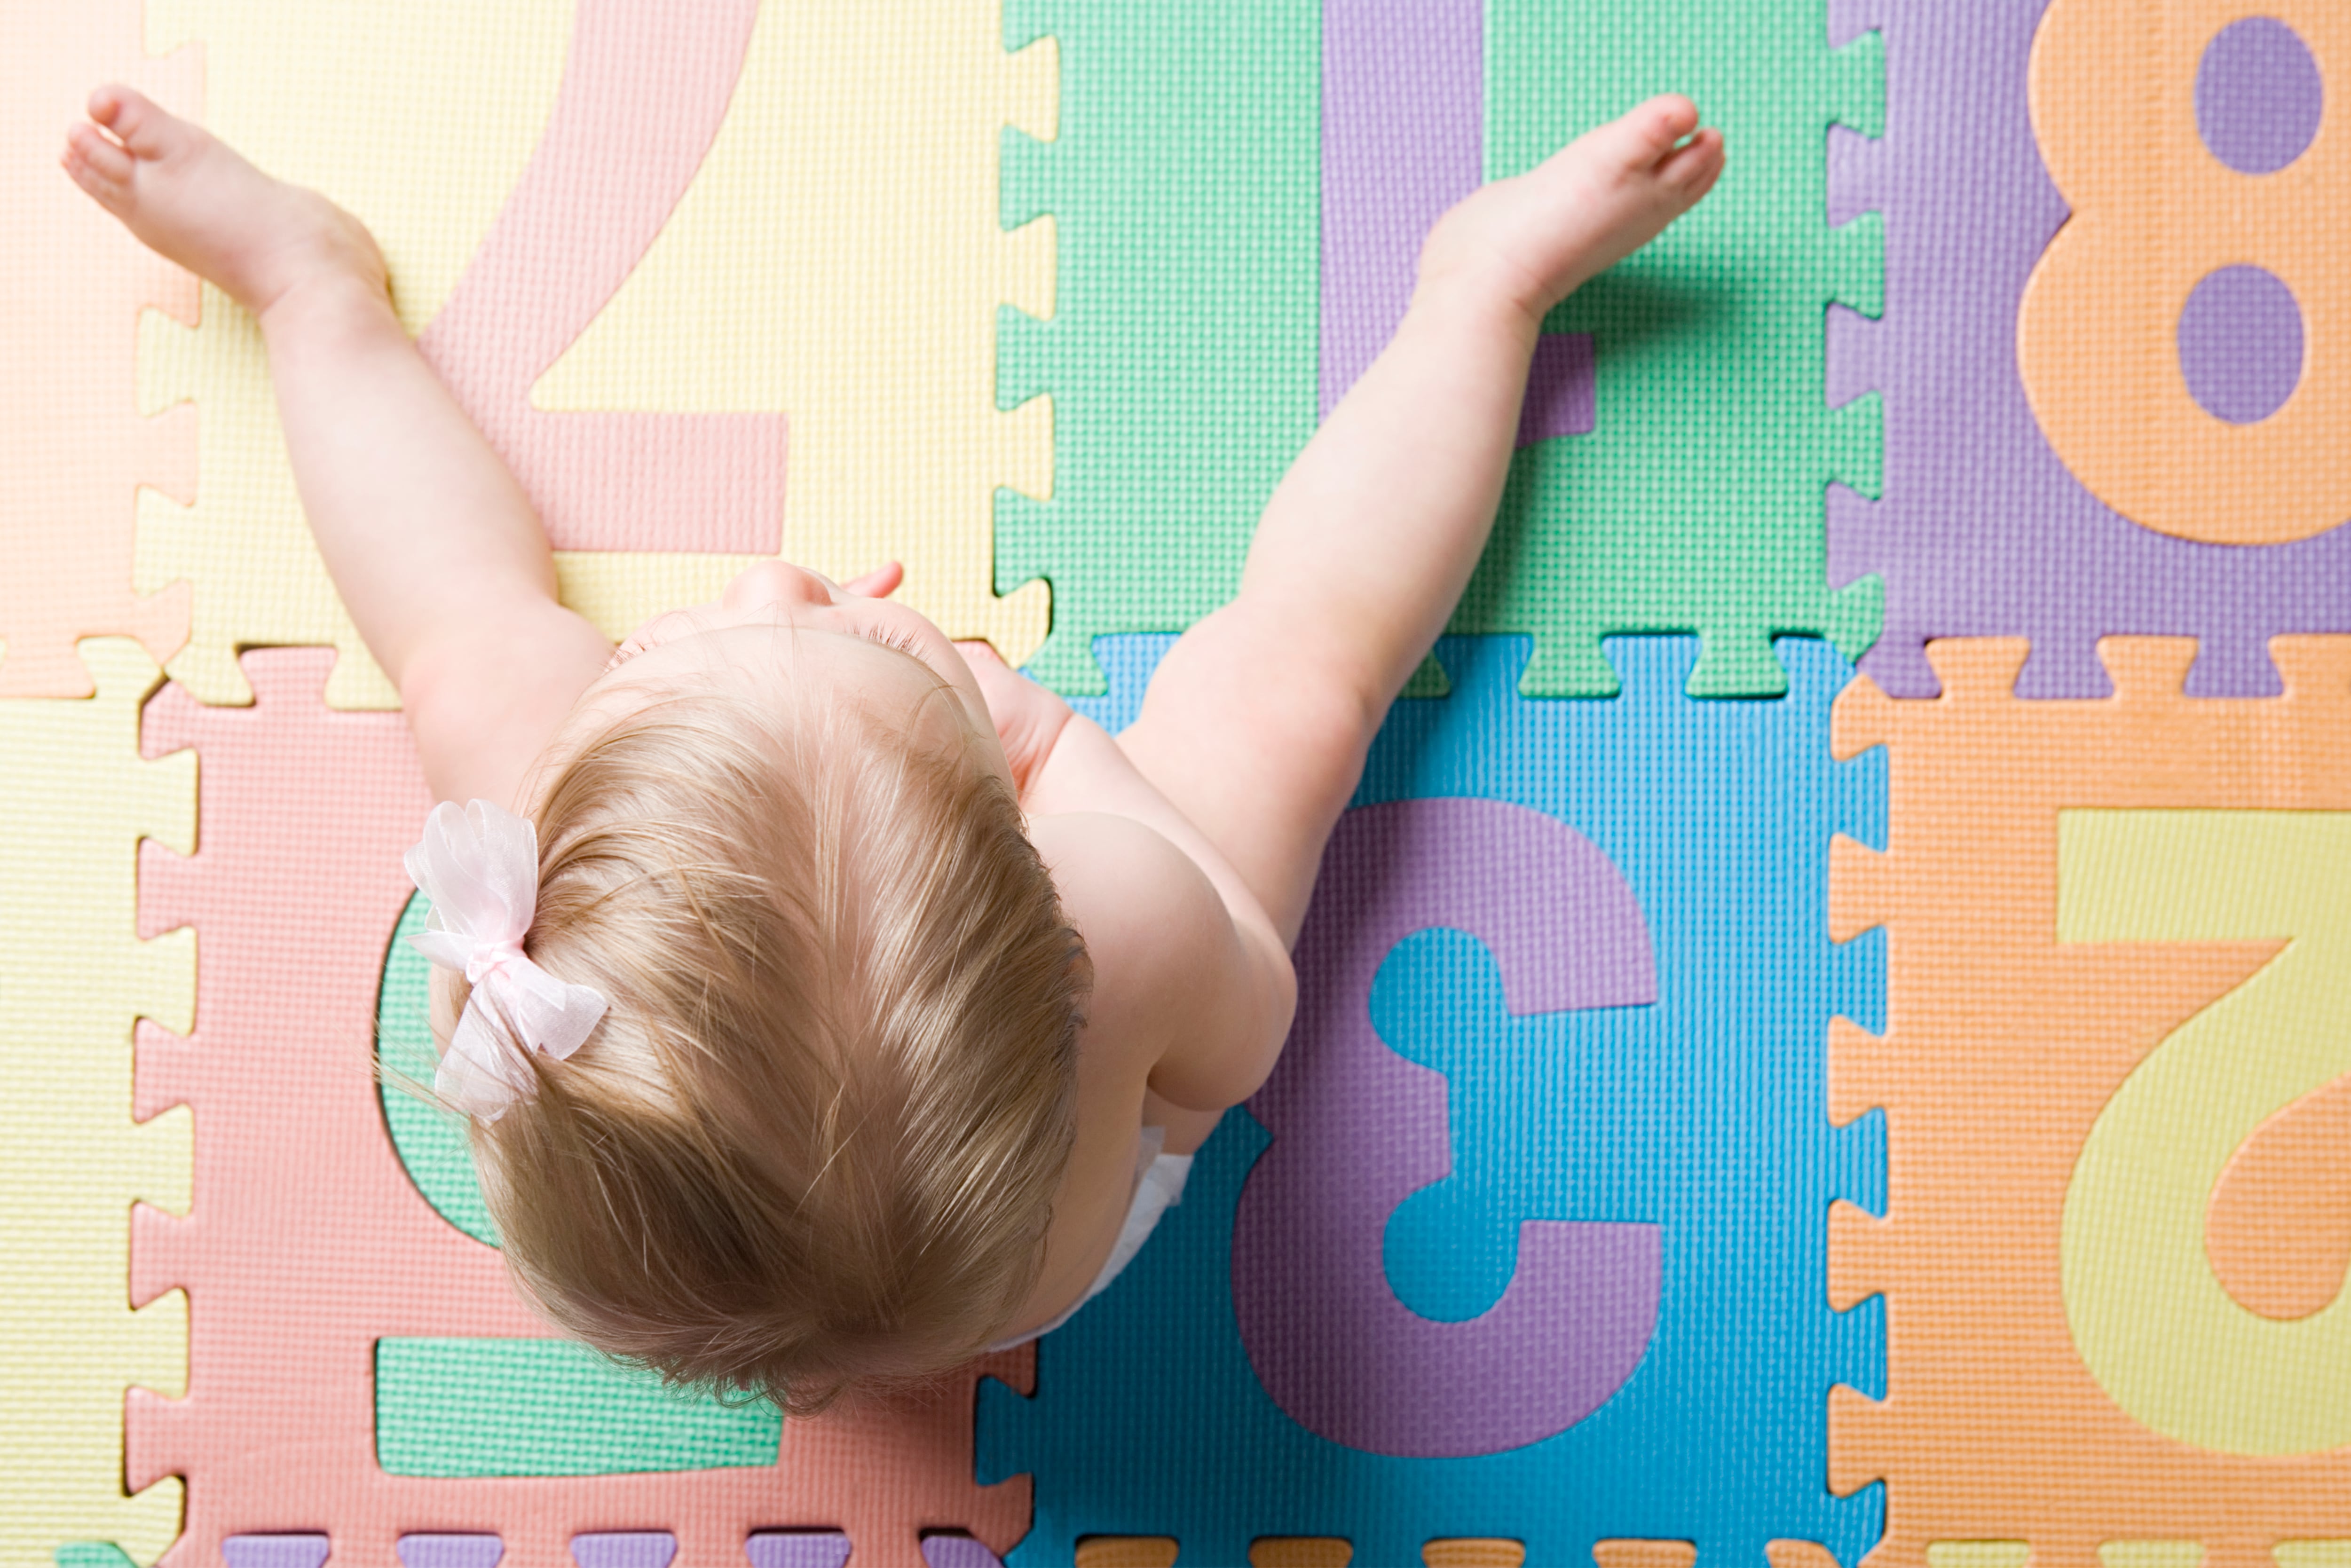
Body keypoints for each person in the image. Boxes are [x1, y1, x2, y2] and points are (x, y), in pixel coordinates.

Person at [63, 82, 1722, 1407]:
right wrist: (1069, 747)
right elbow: (1245, 1038)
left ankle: (311, 293)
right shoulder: (1128, 922)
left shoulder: (516, 975)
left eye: (682, 644)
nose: (768, 575)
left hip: (709, 1260)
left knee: (464, 648)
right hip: (1033, 1245)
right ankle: (1476, 293)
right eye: (828, 626)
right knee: (1296, 685)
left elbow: (478, 657)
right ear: (1035, 878)